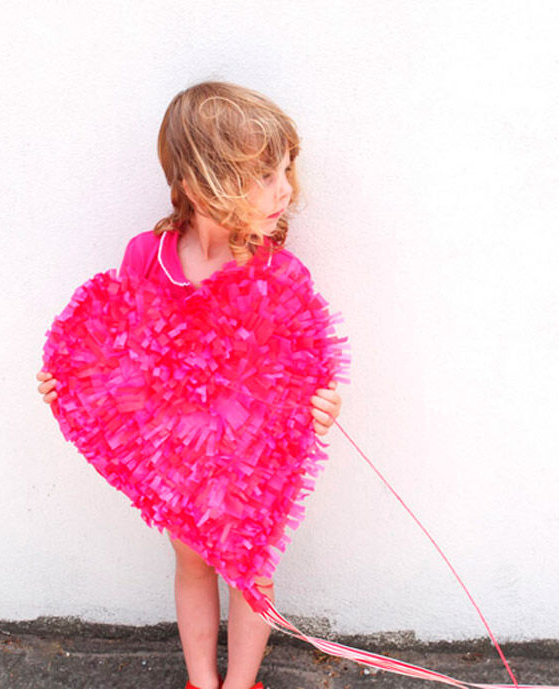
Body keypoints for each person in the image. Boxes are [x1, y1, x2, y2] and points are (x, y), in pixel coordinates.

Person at [36, 80, 343, 689]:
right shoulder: (145, 259)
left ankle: (241, 684)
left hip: (246, 459)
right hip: (178, 453)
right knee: (192, 562)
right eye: (264, 174)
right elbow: (122, 351)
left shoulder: (276, 274)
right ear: (202, 183)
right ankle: (202, 680)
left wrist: (323, 404)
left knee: (250, 569)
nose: (285, 189)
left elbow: (299, 364)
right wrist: (75, 382)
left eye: (286, 168)